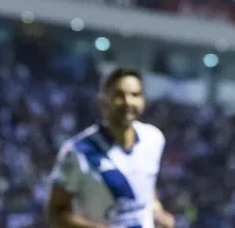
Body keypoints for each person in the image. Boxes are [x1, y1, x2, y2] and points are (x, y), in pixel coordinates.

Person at [45, 68, 175, 228]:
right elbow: (55, 213)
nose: (128, 102)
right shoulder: (77, 151)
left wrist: (157, 212)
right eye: (119, 95)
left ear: (143, 100)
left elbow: (146, 186)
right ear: (103, 100)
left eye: (135, 95)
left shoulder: (154, 139)